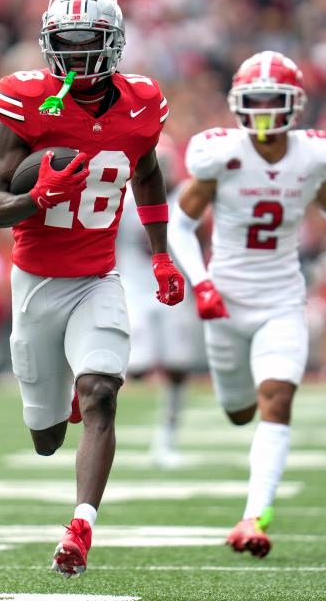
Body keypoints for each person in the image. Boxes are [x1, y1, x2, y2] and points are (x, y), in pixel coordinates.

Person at [0, 0, 184, 578]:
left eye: (86, 42)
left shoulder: (142, 105)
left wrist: (162, 256)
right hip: (37, 282)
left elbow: (146, 173)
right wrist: (35, 198)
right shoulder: (26, 101)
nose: (73, 55)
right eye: (64, 43)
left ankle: (81, 527)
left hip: (98, 277)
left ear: (112, 43)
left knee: (102, 394)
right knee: (45, 437)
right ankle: (58, 395)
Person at [168, 51, 326, 558]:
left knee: (277, 399)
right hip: (223, 301)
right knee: (240, 412)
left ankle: (254, 516)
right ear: (239, 104)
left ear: (295, 104)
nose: (265, 109)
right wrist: (200, 282)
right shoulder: (221, 156)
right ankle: (252, 502)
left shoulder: (312, 157)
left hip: (281, 300)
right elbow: (180, 223)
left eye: (274, 99)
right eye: (256, 99)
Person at [115, 141, 205, 469]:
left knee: (178, 368)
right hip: (133, 288)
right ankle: (97, 423)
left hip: (172, 292)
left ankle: (166, 439)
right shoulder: (121, 201)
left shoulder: (183, 201)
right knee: (133, 370)